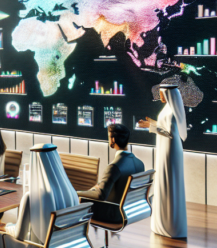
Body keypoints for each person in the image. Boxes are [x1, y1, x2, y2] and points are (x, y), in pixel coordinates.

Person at [138, 84, 187, 239]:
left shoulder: (171, 111)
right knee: (166, 182)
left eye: (161, 93)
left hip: (169, 150)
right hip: (165, 148)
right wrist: (153, 122)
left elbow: (169, 133)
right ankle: (164, 222)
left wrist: (150, 126)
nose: (159, 96)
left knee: (169, 181)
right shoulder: (168, 108)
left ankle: (169, 224)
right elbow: (165, 127)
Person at [77, 124, 145, 216]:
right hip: (131, 211)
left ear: (113, 140)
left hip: (115, 214)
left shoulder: (114, 167)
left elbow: (100, 195)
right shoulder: (140, 164)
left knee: (77, 202)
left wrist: (77, 193)